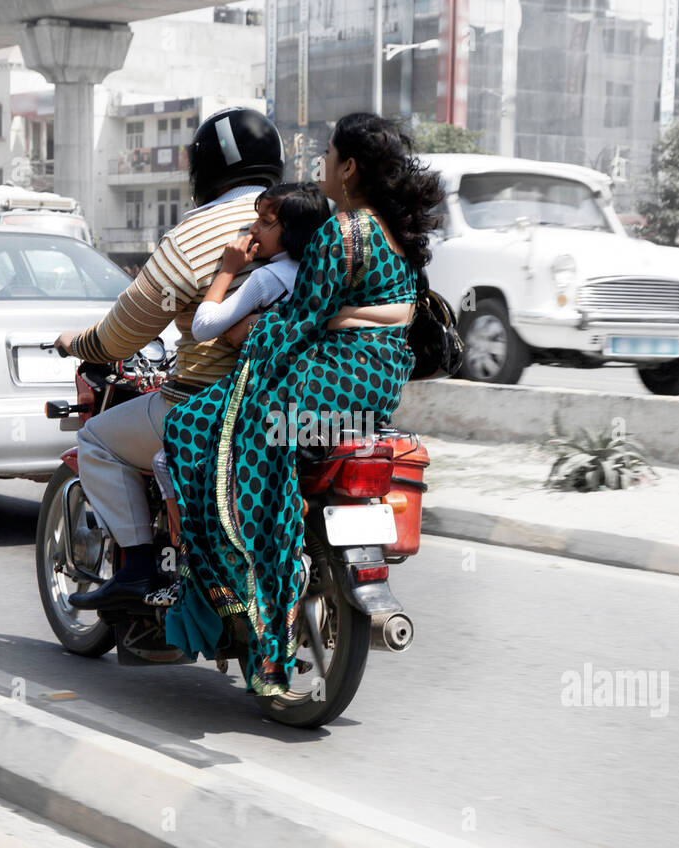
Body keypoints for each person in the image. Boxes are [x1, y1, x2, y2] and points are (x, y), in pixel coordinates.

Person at [160, 112, 446, 695]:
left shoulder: (343, 232)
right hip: (375, 387)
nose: (319, 169)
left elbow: (297, 323)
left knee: (197, 432)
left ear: (348, 168)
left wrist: (240, 334)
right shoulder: (394, 232)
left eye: (327, 157)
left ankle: (265, 639)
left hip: (325, 383)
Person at [51, 106, 287, 610]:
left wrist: (79, 343)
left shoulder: (194, 237)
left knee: (97, 440)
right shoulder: (313, 218)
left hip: (210, 405)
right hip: (298, 399)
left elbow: (122, 335)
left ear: (205, 171)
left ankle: (139, 570)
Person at [146, 182, 331, 601]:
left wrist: (228, 269)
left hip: (259, 395)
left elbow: (205, 325)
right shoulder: (323, 275)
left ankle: (188, 560)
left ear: (294, 233)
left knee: (166, 457)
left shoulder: (268, 277)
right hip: (312, 396)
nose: (252, 229)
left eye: (266, 223)